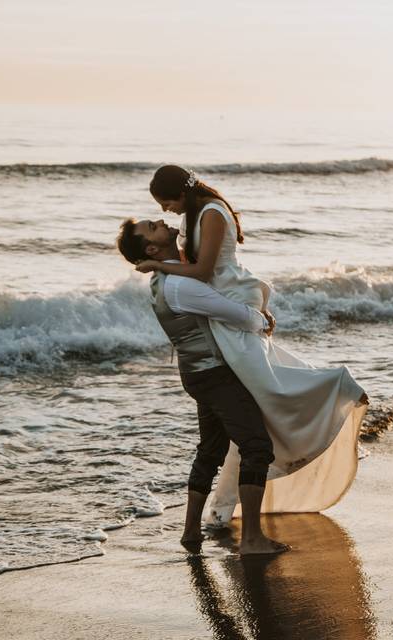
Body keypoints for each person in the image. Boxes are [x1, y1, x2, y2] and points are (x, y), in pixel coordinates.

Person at [136, 165, 368, 528]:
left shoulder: (210, 213)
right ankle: (223, 511)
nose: (165, 212)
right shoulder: (195, 215)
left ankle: (339, 388)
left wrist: (156, 265)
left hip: (231, 306)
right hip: (225, 309)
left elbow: (202, 271)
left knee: (268, 387)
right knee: (249, 411)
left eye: (165, 203)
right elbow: (195, 272)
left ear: (181, 195)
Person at [116, 218, 287, 555]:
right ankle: (252, 539)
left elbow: (199, 259)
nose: (162, 221)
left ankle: (191, 532)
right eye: (153, 226)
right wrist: (261, 318)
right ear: (152, 248)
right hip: (215, 375)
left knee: (210, 450)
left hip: (197, 373)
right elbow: (236, 315)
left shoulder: (167, 278)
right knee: (256, 447)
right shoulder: (181, 286)